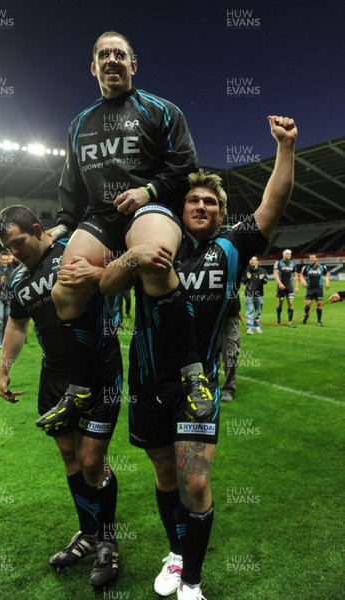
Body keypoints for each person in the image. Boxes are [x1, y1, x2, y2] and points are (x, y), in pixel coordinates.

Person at [99, 115, 297, 600]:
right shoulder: (154, 239)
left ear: (221, 211)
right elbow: (106, 284)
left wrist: (286, 147)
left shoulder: (232, 246)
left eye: (211, 201)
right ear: (179, 207)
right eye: (194, 199)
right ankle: (176, 551)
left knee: (196, 481)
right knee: (166, 476)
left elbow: (273, 203)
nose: (202, 205)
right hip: (148, 384)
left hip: (200, 386)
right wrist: (132, 258)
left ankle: (192, 582)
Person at [42, 30, 213, 432]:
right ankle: (80, 389)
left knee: (153, 260)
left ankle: (193, 376)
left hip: (150, 206)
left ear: (133, 65)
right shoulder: (79, 124)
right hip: (102, 216)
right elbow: (71, 187)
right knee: (63, 289)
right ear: (93, 67)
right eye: (104, 54)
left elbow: (187, 167)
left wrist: (148, 190)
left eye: (120, 54)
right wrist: (63, 224)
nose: (112, 60)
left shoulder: (161, 110)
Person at [0, 205, 123, 591]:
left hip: (98, 366)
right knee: (69, 456)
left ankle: (108, 541)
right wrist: (3, 368)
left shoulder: (73, 247)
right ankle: (87, 534)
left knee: (90, 458)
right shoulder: (18, 279)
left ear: (38, 229)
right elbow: (17, 323)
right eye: (8, 247)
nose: (15, 252)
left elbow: (116, 275)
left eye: (18, 242)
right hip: (55, 376)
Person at [220, 294, 241, 402]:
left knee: (230, 353)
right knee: (204, 352)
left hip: (230, 314)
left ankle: (228, 388)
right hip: (206, 313)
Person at [300, 254, 329, 326]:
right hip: (309, 289)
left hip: (319, 288)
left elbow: (326, 274)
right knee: (307, 305)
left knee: (319, 304)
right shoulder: (306, 267)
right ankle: (306, 316)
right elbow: (301, 276)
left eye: (313, 258)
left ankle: (319, 321)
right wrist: (303, 282)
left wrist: (327, 282)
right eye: (310, 258)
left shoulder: (322, 267)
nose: (311, 259)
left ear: (316, 259)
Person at [241, 256, 268, 334]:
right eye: (251, 260)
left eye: (254, 260)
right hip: (249, 293)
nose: (253, 261)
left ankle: (257, 326)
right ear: (249, 262)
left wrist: (262, 279)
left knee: (258, 311)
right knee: (249, 311)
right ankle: (249, 327)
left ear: (257, 262)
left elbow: (266, 281)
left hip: (259, 294)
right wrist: (247, 278)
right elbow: (243, 281)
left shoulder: (263, 270)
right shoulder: (246, 270)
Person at [273, 248, 299, 327]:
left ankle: (290, 322)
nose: (288, 255)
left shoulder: (293, 263)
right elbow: (275, 274)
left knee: (290, 303)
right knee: (279, 304)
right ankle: (278, 320)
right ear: (283, 254)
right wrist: (279, 284)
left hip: (289, 287)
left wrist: (297, 286)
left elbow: (295, 275)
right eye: (287, 254)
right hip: (280, 287)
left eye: (290, 254)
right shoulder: (278, 263)